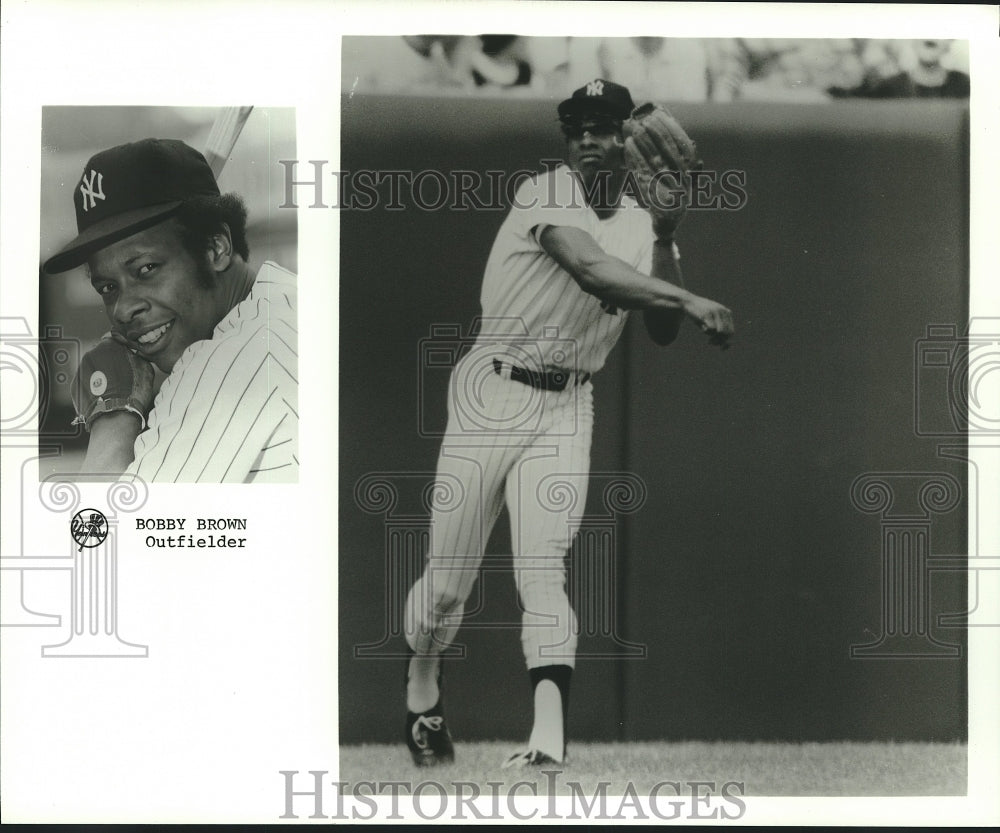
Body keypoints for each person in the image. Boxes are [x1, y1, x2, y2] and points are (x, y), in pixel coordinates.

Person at [403, 79, 734, 767]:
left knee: (543, 565)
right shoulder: (546, 193)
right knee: (444, 587)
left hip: (565, 404)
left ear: (627, 143)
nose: (586, 138)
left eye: (602, 127)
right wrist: (694, 296)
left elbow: (664, 330)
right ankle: (423, 675)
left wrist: (670, 238)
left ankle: (547, 738)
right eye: (575, 126)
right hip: (490, 393)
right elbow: (596, 272)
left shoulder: (643, 225)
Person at [43, 138, 298, 483]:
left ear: (216, 248)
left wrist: (113, 414)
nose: (123, 308)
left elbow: (99, 530)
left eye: (146, 269)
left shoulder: (228, 362)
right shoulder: (287, 301)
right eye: (107, 288)